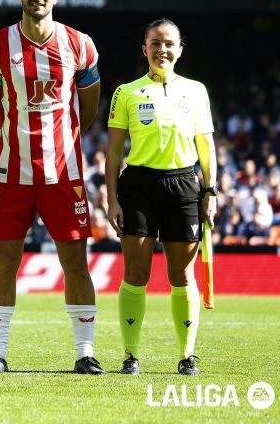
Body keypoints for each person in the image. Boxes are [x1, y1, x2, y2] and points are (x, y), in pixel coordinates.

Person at [0, 0, 104, 375]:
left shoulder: (79, 44)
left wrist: (59, 138)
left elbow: (88, 108)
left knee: (76, 263)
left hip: (63, 173)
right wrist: (17, 137)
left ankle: (84, 353)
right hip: (10, 173)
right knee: (4, 263)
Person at [106, 19, 216, 376]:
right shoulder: (126, 92)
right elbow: (112, 152)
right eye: (155, 43)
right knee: (135, 272)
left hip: (184, 186)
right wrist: (111, 199)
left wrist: (210, 190)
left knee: (181, 274)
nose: (162, 50)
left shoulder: (196, 91)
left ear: (180, 49)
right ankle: (130, 354)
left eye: (169, 43)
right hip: (138, 188)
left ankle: (186, 355)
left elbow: (206, 146)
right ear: (144, 49)